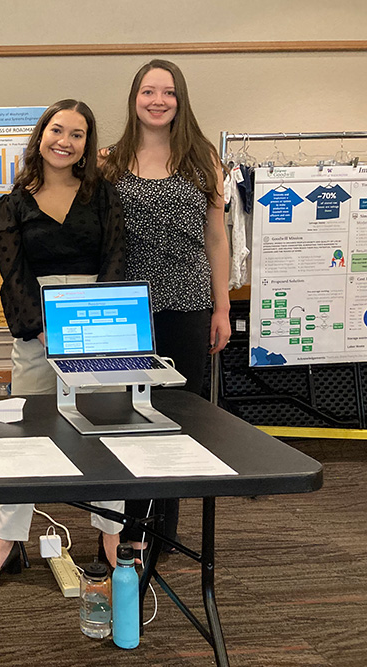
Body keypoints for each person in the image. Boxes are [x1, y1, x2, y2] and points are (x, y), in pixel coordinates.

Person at [0, 99, 126, 592]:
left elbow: (116, 260)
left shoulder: (103, 196)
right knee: (26, 437)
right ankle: (7, 541)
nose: (65, 140)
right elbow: (12, 275)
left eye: (77, 134)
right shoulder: (12, 203)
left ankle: (109, 537)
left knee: (107, 432)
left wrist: (97, 323)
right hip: (36, 330)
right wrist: (42, 328)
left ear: (87, 145)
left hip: (101, 326)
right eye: (57, 130)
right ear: (41, 136)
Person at [100, 59, 231, 552]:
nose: (158, 100)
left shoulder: (203, 159)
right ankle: (125, 531)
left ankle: (164, 530)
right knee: (127, 415)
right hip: (125, 307)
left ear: (181, 100)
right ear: (134, 99)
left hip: (187, 303)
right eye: (149, 92)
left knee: (177, 414)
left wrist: (221, 309)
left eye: (168, 92)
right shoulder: (108, 162)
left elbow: (216, 239)